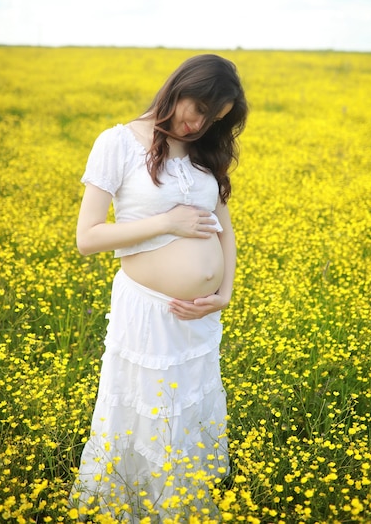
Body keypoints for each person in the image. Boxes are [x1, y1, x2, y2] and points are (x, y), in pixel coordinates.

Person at [69, 54, 248, 521]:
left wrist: (223, 294)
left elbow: (224, 229)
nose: (199, 123)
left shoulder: (203, 150)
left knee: (187, 413)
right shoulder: (119, 143)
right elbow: (87, 238)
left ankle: (180, 505)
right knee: (148, 415)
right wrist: (166, 222)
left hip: (199, 319)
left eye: (213, 119)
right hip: (149, 314)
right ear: (179, 87)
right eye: (199, 108)